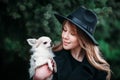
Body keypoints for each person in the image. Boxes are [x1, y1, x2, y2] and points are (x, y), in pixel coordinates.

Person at [33, 6, 111, 80]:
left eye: (72, 33)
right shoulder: (51, 56)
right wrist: (36, 78)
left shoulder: (98, 69)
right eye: (64, 30)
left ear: (84, 39)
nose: (65, 36)